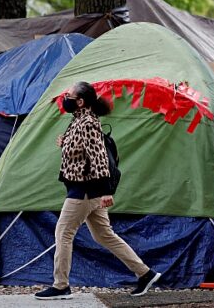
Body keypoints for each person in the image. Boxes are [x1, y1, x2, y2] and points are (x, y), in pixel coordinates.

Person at [35, 81, 161, 300]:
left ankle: (60, 285)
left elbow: (99, 158)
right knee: (104, 235)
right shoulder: (79, 121)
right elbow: (82, 149)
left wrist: (106, 191)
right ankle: (145, 273)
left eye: (69, 95)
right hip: (85, 189)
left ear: (81, 101)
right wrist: (65, 142)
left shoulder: (88, 123)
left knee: (63, 233)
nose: (66, 98)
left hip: (84, 190)